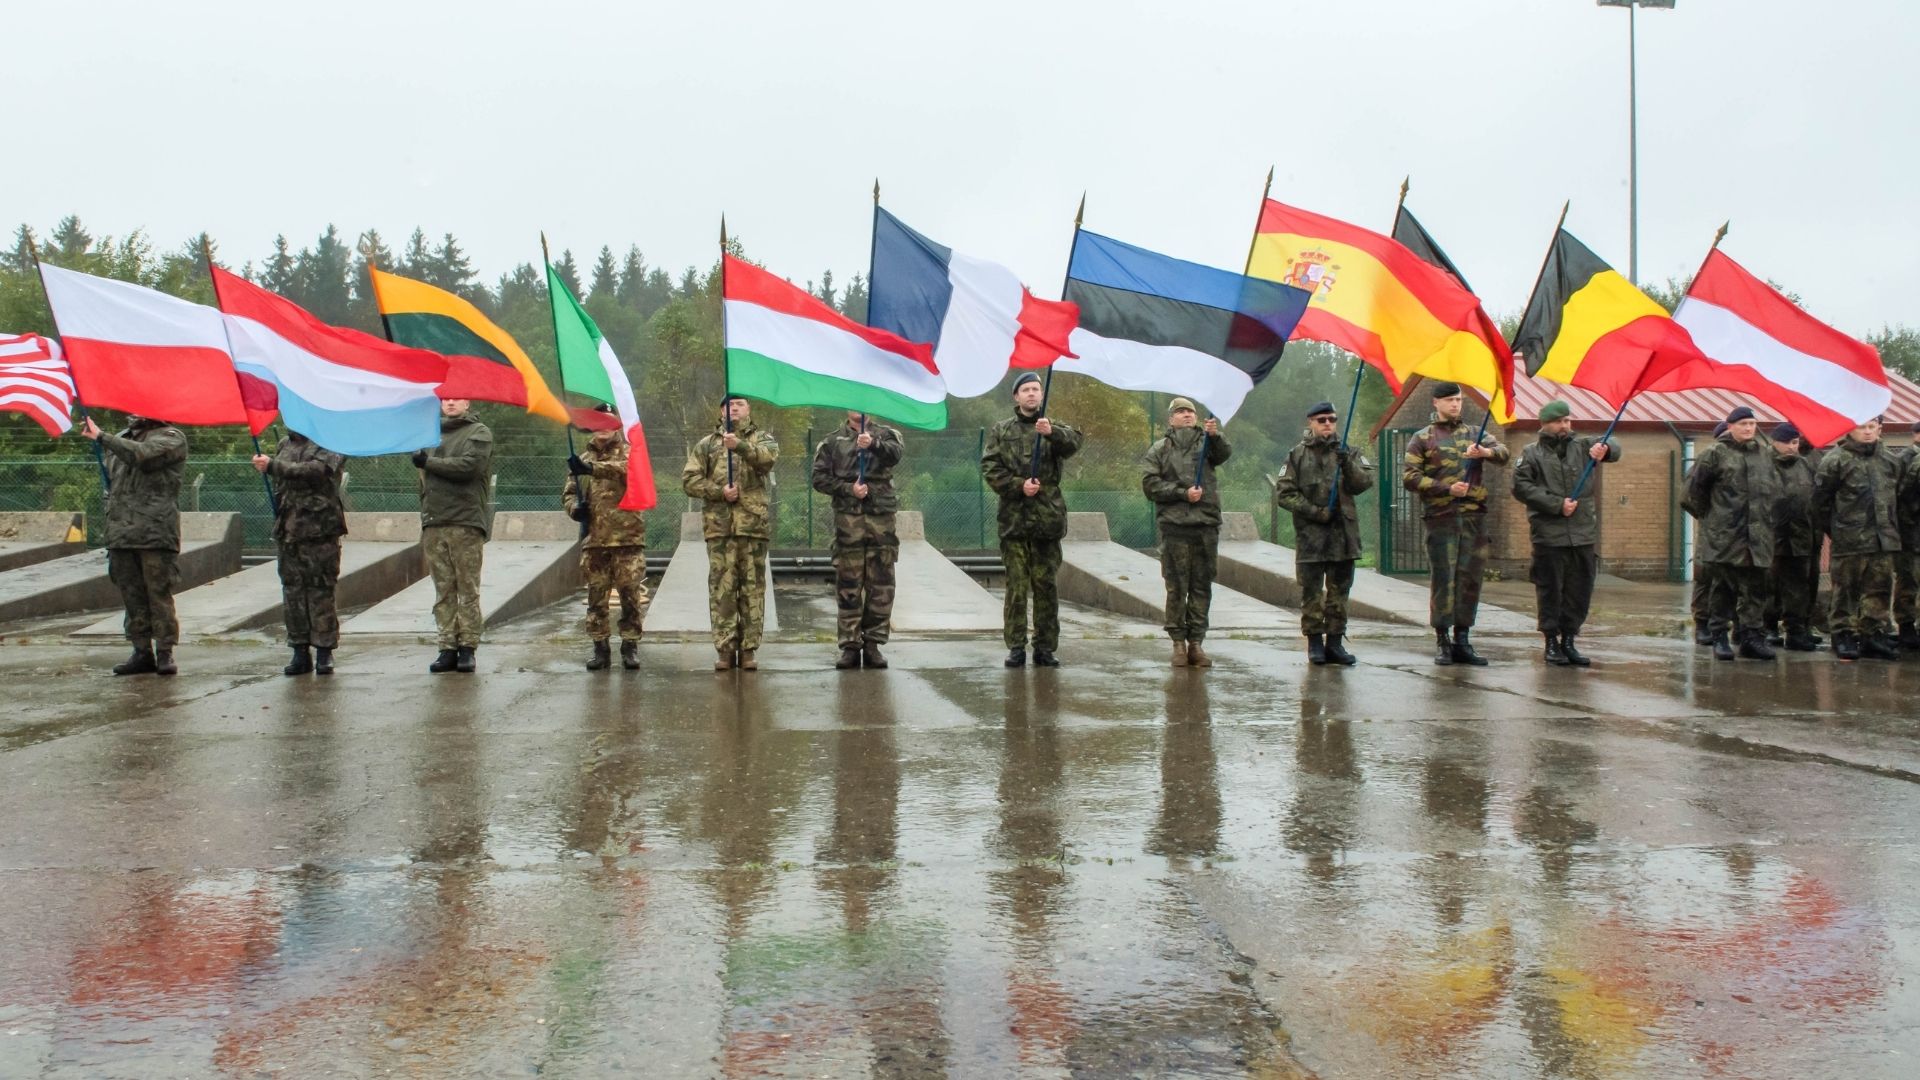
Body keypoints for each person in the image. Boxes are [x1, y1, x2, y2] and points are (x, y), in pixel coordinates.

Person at [1401, 381, 1509, 665]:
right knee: (1444, 579)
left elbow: (1504, 453)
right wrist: (1445, 488)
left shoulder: (1476, 434)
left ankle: (1463, 638)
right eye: (1449, 400)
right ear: (1436, 403)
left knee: (1470, 579)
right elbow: (1410, 477)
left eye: (1459, 400)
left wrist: (1484, 453)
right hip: (1442, 519)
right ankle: (1443, 640)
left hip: (1473, 519)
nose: (1455, 405)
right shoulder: (1423, 438)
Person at [982, 371, 1082, 668]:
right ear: (1016, 396)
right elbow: (990, 468)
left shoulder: (1052, 426)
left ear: (1042, 394)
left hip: (1047, 521)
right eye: (1025, 389)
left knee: (1046, 587)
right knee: (1016, 588)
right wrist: (1017, 486)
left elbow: (1074, 443)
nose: (1031, 394)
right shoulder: (1002, 430)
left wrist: (1051, 432)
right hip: (1015, 521)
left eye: (1036, 389)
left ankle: (1045, 647)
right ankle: (1016, 646)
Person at [1510, 399, 1619, 666]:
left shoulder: (1582, 447)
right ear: (1545, 424)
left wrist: (1604, 449)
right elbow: (1521, 487)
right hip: (1549, 534)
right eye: (1559, 421)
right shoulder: (1531, 453)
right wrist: (1556, 505)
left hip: (1582, 533)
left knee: (1579, 589)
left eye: (1567, 421)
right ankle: (1550, 640)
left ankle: (1570, 638)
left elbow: (1613, 447)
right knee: (1550, 589)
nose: (1565, 426)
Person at [81, 414, 187, 676]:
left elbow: (143, 456)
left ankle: (165, 651)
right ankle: (141, 651)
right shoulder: (120, 439)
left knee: (158, 594)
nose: (134, 412)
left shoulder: (171, 437)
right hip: (121, 532)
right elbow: (113, 483)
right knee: (131, 596)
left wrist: (102, 438)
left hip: (154, 531)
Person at [682, 394, 778, 671]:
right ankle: (725, 649)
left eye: (739, 404)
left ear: (748, 409)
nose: (733, 408)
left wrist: (741, 446)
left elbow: (768, 460)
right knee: (722, 590)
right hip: (720, 528)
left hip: (752, 527)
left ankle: (748, 650)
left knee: (752, 589)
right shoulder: (707, 445)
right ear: (721, 411)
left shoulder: (762, 438)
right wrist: (718, 491)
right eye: (728, 405)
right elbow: (689, 480)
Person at [1274, 400, 1374, 665]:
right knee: (1312, 593)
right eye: (1322, 420)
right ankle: (1315, 643)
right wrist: (1315, 512)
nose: (1328, 424)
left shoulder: (1349, 453)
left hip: (1343, 536)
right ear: (1311, 423)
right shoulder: (1297, 455)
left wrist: (1347, 465)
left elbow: (1364, 483)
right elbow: (1284, 494)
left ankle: (1336, 643)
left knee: (1339, 593)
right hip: (1311, 538)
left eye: (1332, 419)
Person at [1683, 406, 1780, 661]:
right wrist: (1714, 520)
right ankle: (1719, 636)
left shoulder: (1763, 454)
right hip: (1725, 538)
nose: (1749, 428)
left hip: (1757, 537)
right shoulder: (1715, 454)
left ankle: (1750, 637)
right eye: (1743, 424)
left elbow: (1772, 491)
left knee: (1755, 590)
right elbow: (1691, 494)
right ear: (1730, 426)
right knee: (1723, 589)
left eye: (1752, 423)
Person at [1140, 397, 1232, 667]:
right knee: (1177, 587)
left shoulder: (1207, 444)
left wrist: (1215, 436)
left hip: (1205, 526)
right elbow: (1150, 484)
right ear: (1171, 419)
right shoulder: (1160, 449)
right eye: (1180, 412)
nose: (1187, 416)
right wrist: (1182, 494)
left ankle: (1196, 643)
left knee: (1202, 586)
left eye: (1190, 412)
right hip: (1175, 527)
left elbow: (1224, 454)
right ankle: (1178, 643)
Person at [810, 411, 903, 670]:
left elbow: (895, 455)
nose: (857, 409)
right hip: (848, 524)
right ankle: (850, 646)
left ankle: (873, 644)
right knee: (849, 585)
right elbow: (819, 479)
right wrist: (848, 489)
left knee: (881, 585)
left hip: (881, 523)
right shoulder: (831, 442)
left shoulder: (886, 435)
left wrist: (872, 443)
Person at [563, 405, 649, 671]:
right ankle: (600, 647)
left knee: (630, 596)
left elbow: (628, 470)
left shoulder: (631, 452)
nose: (602, 426)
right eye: (597, 421)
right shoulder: (581, 459)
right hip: (595, 540)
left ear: (617, 425)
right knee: (596, 598)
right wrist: (574, 509)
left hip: (627, 539)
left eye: (608, 421)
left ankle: (630, 645)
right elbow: (568, 493)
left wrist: (593, 468)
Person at [253, 431, 346, 676]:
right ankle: (299, 649)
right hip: (289, 529)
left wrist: (273, 466)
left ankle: (325, 651)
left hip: (320, 529)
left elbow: (317, 471)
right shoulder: (285, 443)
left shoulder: (330, 440)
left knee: (320, 590)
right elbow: (280, 483)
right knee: (292, 590)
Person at [1812, 416, 1903, 661]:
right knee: (1845, 591)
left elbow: (1898, 498)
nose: (1867, 432)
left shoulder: (1889, 460)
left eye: (1872, 427)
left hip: (1883, 538)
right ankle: (1843, 635)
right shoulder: (1836, 460)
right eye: (1862, 427)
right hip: (1849, 539)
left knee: (1880, 589)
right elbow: (1820, 502)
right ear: (1850, 429)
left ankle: (1873, 635)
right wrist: (1837, 530)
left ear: (1880, 429)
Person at [413, 398, 492, 674]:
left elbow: (469, 467)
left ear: (467, 403)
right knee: (443, 590)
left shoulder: (478, 432)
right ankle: (447, 646)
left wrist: (429, 462)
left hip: (465, 521)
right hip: (435, 521)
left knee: (467, 589)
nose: (450, 402)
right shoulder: (427, 434)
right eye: (446, 398)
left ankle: (468, 647)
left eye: (456, 398)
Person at [1763, 423, 1821, 652]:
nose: (1791, 447)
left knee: (1798, 587)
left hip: (1800, 536)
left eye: (1795, 442)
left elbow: (1817, 498)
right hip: (1770, 536)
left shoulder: (1805, 465)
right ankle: (1767, 627)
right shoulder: (1762, 465)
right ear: (1774, 441)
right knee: (1769, 586)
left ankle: (1796, 631)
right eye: (1787, 442)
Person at [1689, 420, 1729, 646]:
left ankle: (1725, 624)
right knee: (1705, 578)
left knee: (1729, 581)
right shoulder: (1708, 459)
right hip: (1712, 532)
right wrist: (1709, 516)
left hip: (1737, 535)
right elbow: (1690, 495)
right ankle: (1702, 623)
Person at [1893, 420, 1920, 650]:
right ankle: (1906, 625)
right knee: (1908, 579)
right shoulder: (1906, 459)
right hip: (1911, 530)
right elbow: (1901, 495)